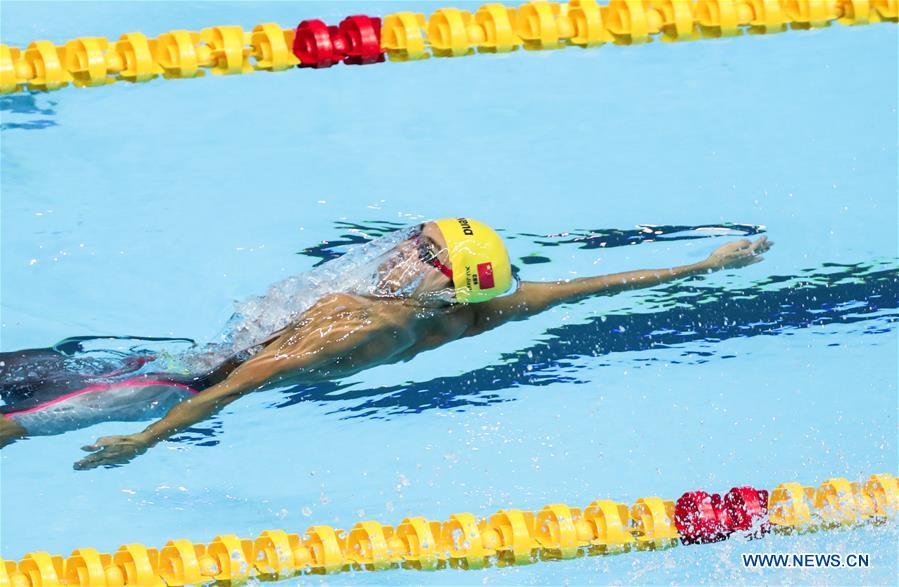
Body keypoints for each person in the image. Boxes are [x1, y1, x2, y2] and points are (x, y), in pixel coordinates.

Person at [0, 218, 772, 469]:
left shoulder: (358, 318)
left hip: (181, 383)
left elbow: (237, 384)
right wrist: (700, 263)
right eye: (416, 238)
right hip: (191, 363)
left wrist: (143, 437)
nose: (402, 250)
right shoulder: (486, 308)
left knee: (11, 422)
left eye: (421, 252)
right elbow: (591, 286)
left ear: (440, 281)